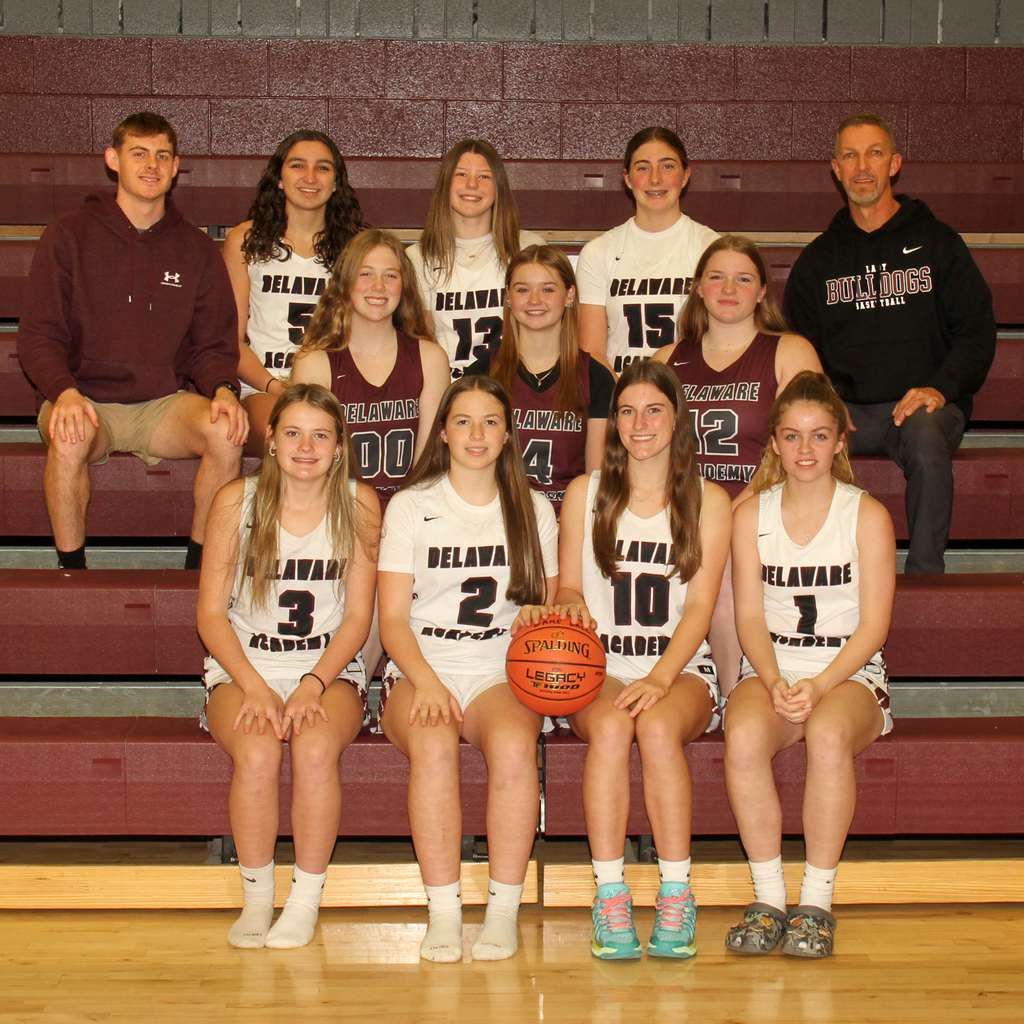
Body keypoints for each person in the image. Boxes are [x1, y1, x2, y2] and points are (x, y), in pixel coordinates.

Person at [532, 360, 730, 960]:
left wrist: (660, 678)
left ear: (677, 418)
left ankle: (676, 892)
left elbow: (700, 608)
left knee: (659, 727)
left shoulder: (710, 499)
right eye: (626, 411)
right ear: (614, 421)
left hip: (678, 667)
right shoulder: (584, 493)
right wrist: (570, 602)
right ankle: (610, 893)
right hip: (599, 667)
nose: (640, 423)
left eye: (653, 410)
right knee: (615, 728)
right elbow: (568, 585)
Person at [377, 375, 559, 963]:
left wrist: (538, 614)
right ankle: (445, 912)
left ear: (508, 434)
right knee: (433, 744)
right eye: (463, 421)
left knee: (513, 745)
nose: (476, 434)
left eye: (490, 422)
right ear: (443, 433)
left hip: (499, 671)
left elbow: (550, 609)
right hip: (421, 665)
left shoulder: (533, 509)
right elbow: (392, 621)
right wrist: (427, 683)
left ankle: (502, 911)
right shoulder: (411, 505)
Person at [17, 111, 247, 570]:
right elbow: (39, 335)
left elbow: (212, 345)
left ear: (175, 166)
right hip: (85, 400)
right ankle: (72, 571)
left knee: (226, 432)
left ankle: (198, 568)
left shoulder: (196, 248)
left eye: (162, 155)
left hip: (161, 405)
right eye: (139, 153)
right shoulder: (68, 234)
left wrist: (223, 388)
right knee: (69, 437)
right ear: (113, 159)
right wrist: (63, 392)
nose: (151, 165)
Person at [198, 383, 380, 950]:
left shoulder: (360, 503)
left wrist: (313, 683)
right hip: (245, 667)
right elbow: (210, 615)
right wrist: (255, 687)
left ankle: (303, 901)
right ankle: (257, 899)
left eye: (321, 435)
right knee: (257, 754)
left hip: (328, 668)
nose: (306, 447)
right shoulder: (237, 501)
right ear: (271, 439)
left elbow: (359, 619)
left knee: (315, 748)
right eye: (294, 433)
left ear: (340, 446)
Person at [725, 370, 895, 958]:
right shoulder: (751, 516)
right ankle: (770, 899)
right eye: (792, 436)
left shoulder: (866, 515)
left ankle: (817, 903)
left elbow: (874, 626)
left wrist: (820, 684)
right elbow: (750, 617)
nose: (805, 449)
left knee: (825, 735)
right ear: (773, 442)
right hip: (772, 666)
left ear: (840, 441)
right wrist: (774, 679)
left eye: (819, 435)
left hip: (848, 672)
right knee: (743, 734)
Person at [782, 111, 997, 574]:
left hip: (920, 405)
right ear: (835, 169)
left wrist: (939, 388)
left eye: (874, 154)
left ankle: (925, 577)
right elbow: (796, 347)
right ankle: (811, 570)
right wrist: (826, 402)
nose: (862, 167)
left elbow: (976, 331)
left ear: (894, 164)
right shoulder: (818, 260)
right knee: (797, 431)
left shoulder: (938, 243)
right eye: (850, 156)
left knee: (924, 433)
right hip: (849, 411)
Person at [654, 234, 822, 696]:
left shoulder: (789, 351)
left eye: (743, 279)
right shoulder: (667, 360)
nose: (729, 289)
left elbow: (803, 444)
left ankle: (731, 698)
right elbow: (647, 444)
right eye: (717, 277)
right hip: (683, 508)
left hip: (763, 505)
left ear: (763, 291)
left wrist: (733, 511)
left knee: (724, 572)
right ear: (698, 287)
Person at [222, 130, 365, 455]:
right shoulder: (245, 241)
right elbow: (231, 341)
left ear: (336, 181)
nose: (310, 177)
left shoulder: (357, 244)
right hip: (265, 386)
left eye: (323, 167)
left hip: (336, 386)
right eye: (298, 165)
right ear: (279, 178)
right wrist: (276, 387)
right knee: (293, 436)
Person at [291, 229, 449, 510]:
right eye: (365, 274)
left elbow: (427, 466)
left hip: (409, 511)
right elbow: (313, 461)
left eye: (390, 275)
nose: (378, 286)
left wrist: (400, 519)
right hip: (338, 509)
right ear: (345, 282)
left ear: (404, 285)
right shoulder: (315, 362)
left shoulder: (430, 358)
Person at [465, 244, 614, 513]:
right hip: (496, 519)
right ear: (508, 296)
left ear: (569, 295)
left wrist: (568, 526)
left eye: (547, 289)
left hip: (566, 519)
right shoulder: (481, 375)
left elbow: (595, 483)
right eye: (523, 290)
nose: (534, 300)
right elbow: (466, 473)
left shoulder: (596, 378)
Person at [576, 126, 718, 375]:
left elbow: (723, 343)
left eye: (667, 166)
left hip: (689, 392)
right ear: (627, 178)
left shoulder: (710, 248)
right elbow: (593, 353)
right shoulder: (599, 252)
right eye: (643, 168)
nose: (655, 179)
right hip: (620, 392)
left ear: (685, 175)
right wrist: (627, 395)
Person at [406, 139, 544, 378]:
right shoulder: (418, 257)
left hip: (514, 387)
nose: (472, 184)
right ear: (445, 184)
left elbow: (546, 334)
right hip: (448, 389)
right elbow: (422, 344)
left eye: (484, 176)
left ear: (498, 186)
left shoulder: (528, 249)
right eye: (461, 174)